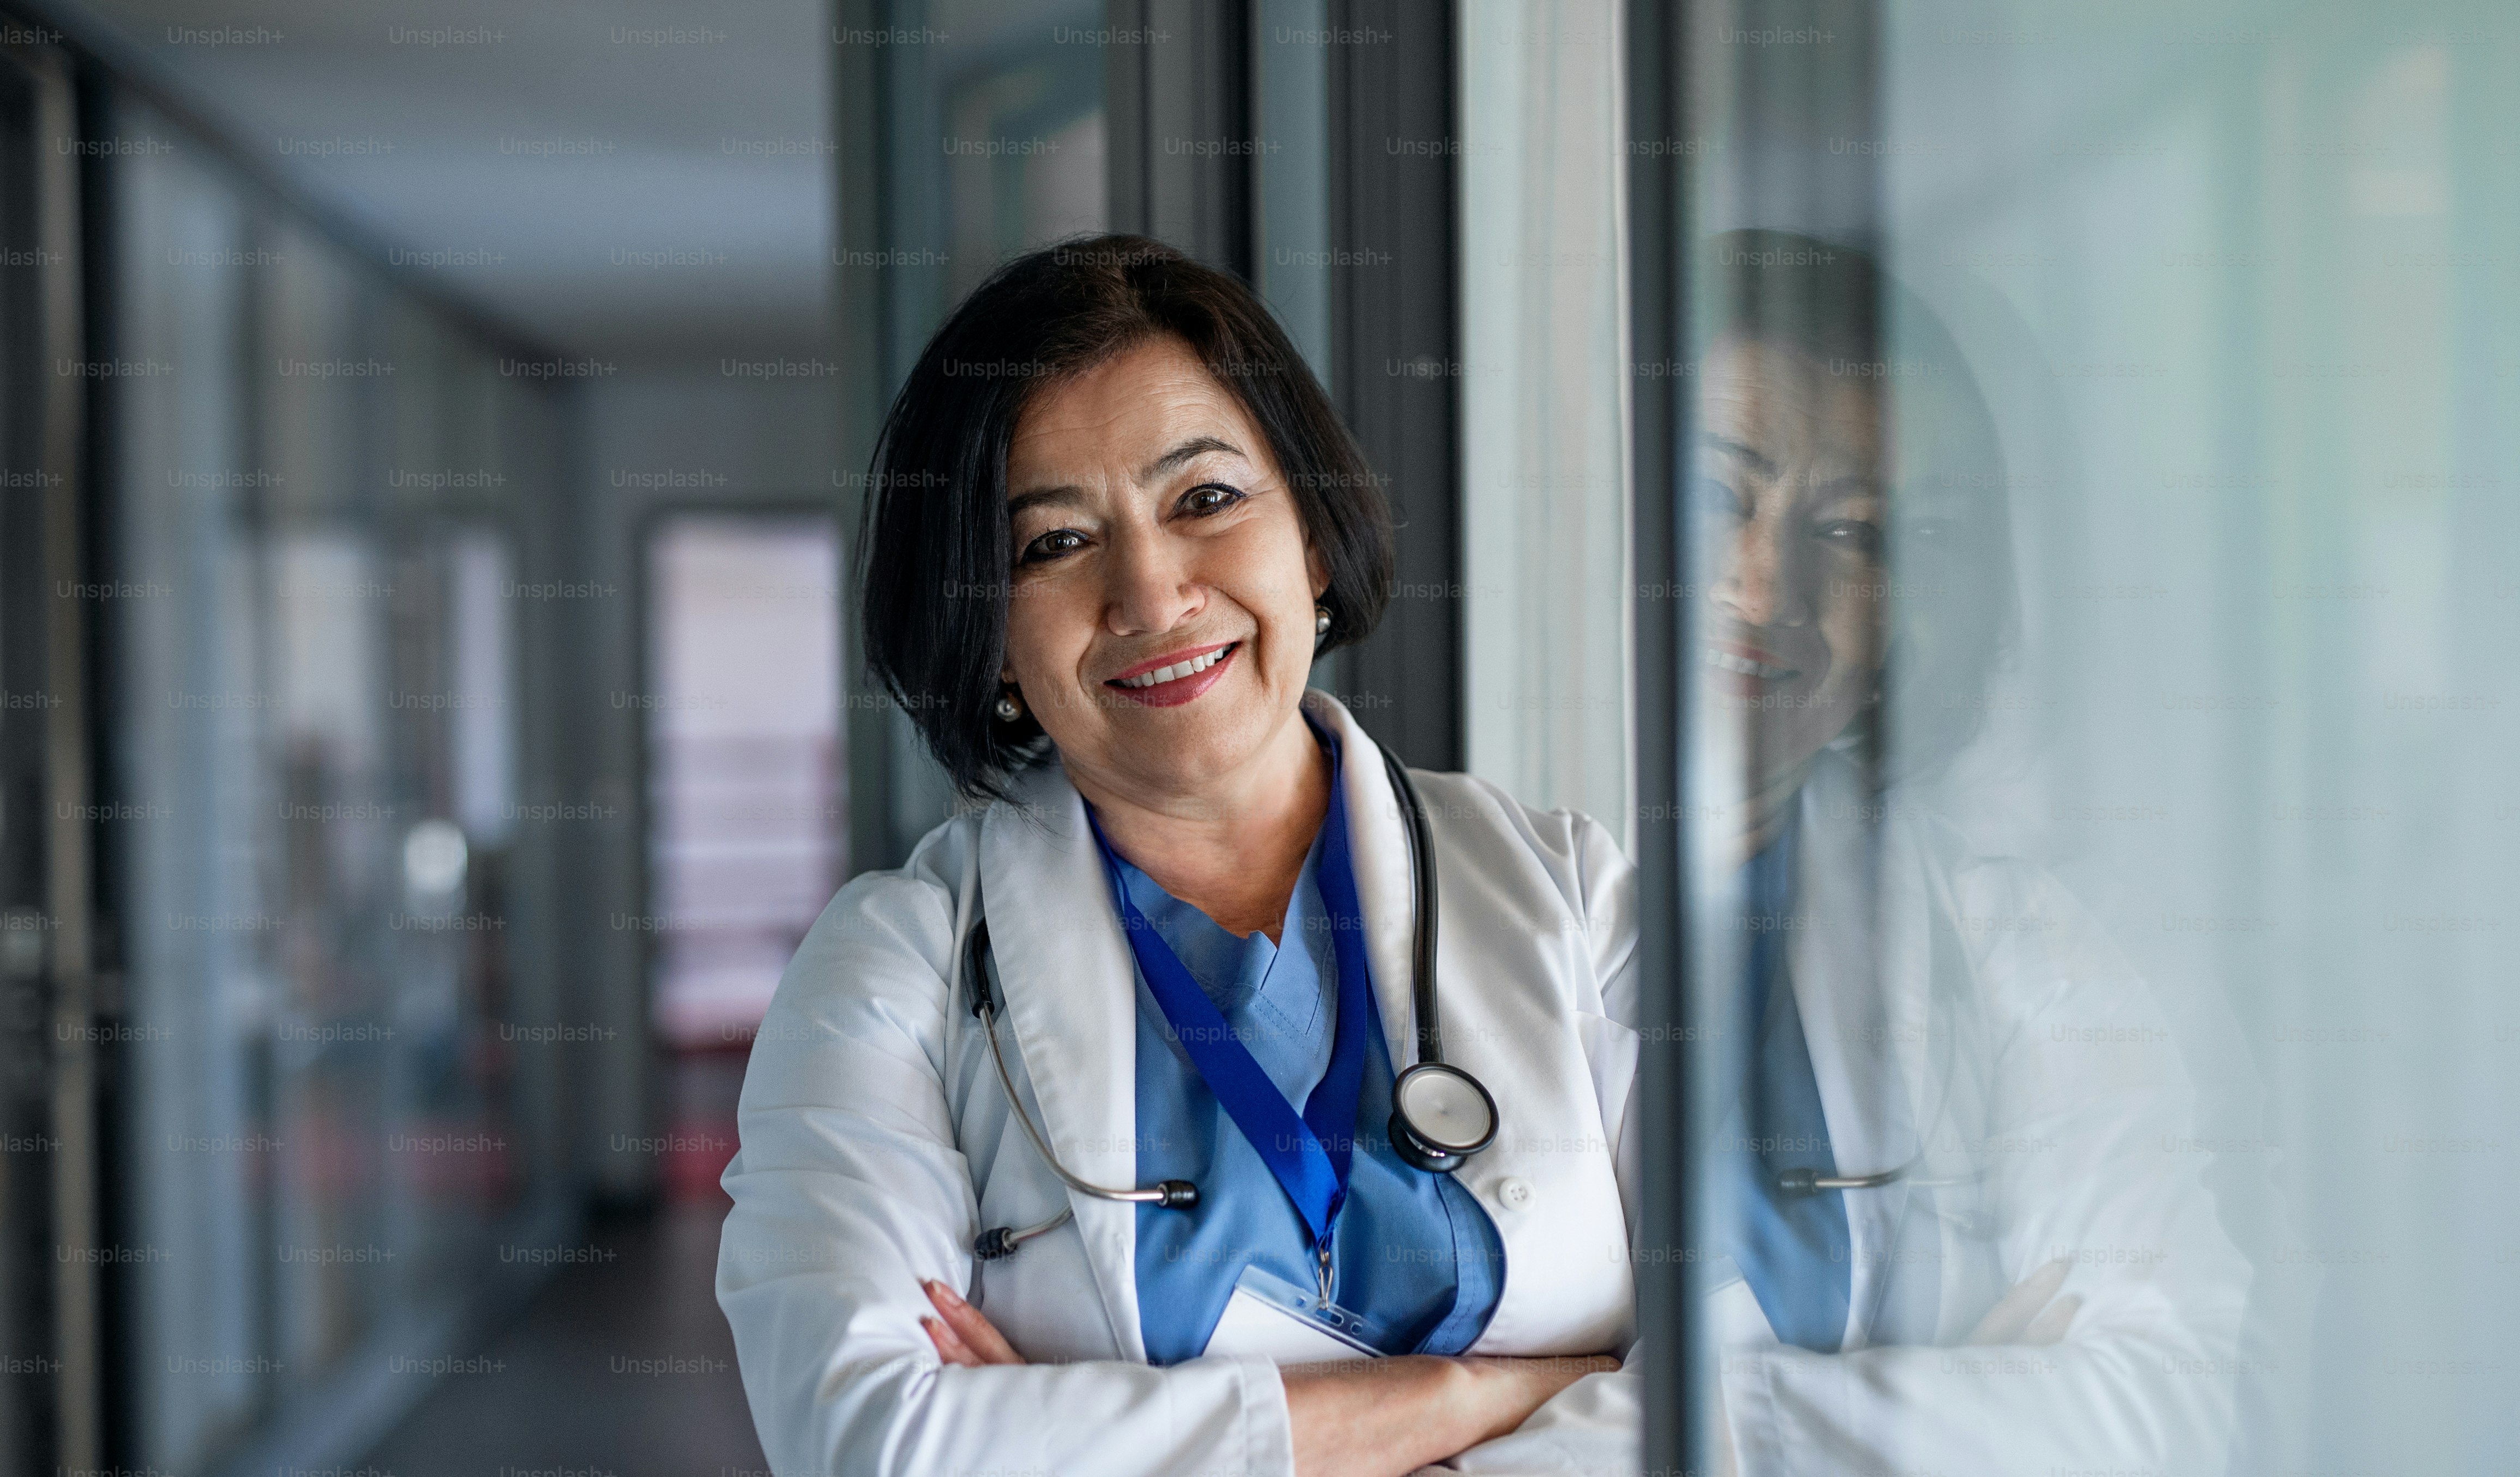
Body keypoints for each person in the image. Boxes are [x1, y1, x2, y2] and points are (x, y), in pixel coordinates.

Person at [716, 236, 1642, 1477]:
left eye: (1205, 500)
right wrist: (1513, 1396)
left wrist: (1079, 1439)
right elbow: (874, 1443)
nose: (1150, 596)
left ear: (1311, 538)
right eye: (1052, 544)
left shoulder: (1574, 896)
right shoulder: (897, 968)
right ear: (985, 629)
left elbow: (1743, 1392)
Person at [1686, 231, 2256, 1474]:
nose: (1765, 584)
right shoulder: (1377, 896)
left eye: (1856, 534)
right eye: (1718, 495)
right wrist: (1950, 1406)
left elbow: (2172, 1408)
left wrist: (1716, 1422)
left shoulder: (2014, 947)